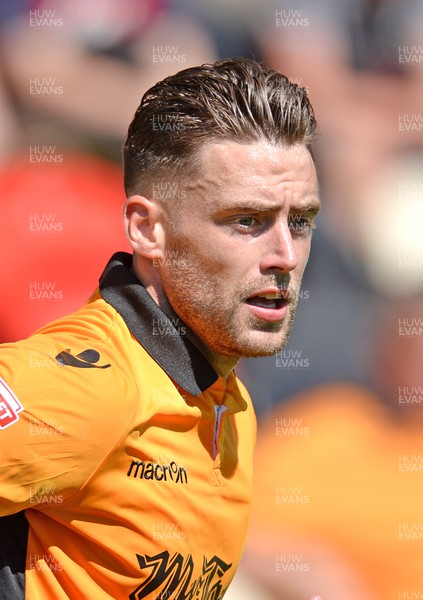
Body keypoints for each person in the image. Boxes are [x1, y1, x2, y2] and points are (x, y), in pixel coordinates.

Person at [0, 57, 320, 599]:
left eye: (300, 221)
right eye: (246, 220)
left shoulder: (231, 406)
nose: (284, 255)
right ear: (148, 229)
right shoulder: (90, 385)